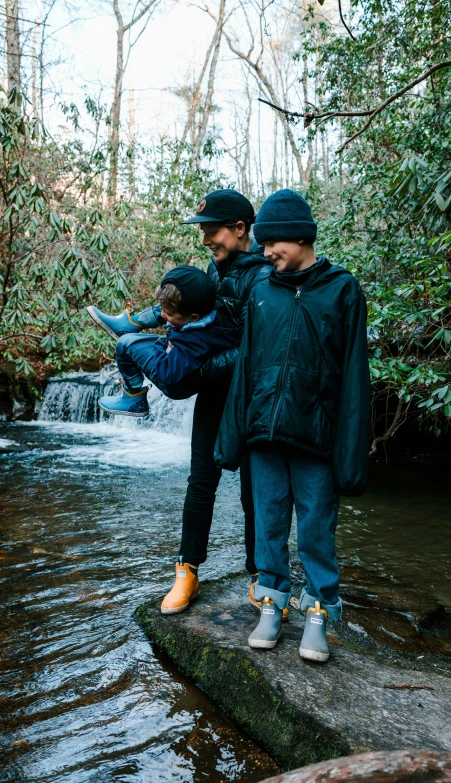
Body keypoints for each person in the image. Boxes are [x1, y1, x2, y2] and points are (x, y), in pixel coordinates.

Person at [87, 189, 275, 615]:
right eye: (204, 231)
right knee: (200, 483)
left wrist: (199, 370)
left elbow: (254, 346)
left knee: (253, 492)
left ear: (240, 229)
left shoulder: (262, 278)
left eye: (212, 231)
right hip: (212, 396)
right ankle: (187, 571)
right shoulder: (213, 268)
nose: (206, 238)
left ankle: (260, 575)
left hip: (247, 397)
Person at [215, 189, 371, 663]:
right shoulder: (262, 291)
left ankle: (320, 610)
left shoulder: (343, 289)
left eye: (272, 245)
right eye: (262, 245)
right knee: (268, 521)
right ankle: (272, 601)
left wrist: (350, 454)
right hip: (264, 432)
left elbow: (353, 378)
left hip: (315, 435)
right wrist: (231, 437)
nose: (265, 254)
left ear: (299, 237)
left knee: (317, 528)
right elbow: (245, 366)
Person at [97, 266, 239, 417]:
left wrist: (163, 343)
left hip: (175, 382)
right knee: (174, 302)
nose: (163, 315)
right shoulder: (212, 312)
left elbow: (167, 375)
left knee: (124, 344)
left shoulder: (194, 342)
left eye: (169, 314)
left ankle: (133, 398)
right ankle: (130, 323)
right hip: (179, 360)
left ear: (194, 317)